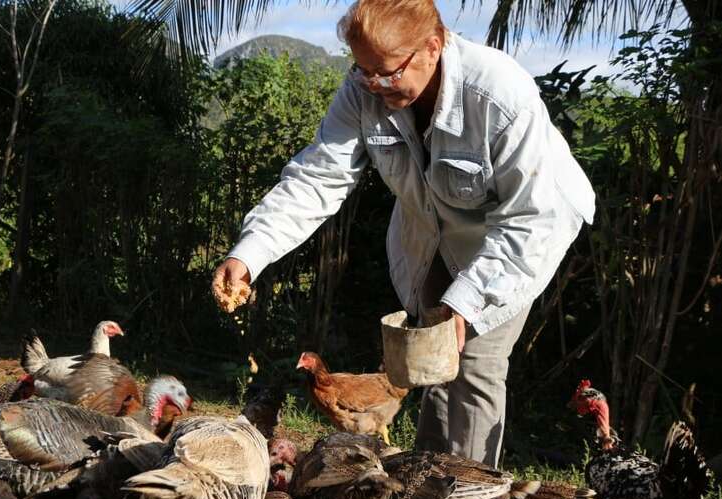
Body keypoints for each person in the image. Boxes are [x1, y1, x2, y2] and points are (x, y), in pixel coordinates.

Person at [211, 0, 595, 467]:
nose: (373, 83)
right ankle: (424, 485)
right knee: (427, 362)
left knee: (472, 365)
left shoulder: (499, 94)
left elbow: (531, 219)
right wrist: (249, 253)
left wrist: (466, 303)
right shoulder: (363, 90)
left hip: (516, 236)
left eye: (386, 72)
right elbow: (317, 178)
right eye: (362, 69)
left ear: (432, 47)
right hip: (429, 231)